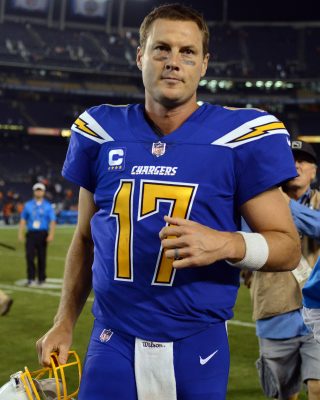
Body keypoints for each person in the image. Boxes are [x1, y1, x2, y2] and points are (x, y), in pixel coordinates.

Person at [36, 4, 301, 399]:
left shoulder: (239, 137)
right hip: (113, 339)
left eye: (187, 52)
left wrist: (227, 243)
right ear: (140, 56)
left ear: (204, 64)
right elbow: (86, 239)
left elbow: (288, 247)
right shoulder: (99, 130)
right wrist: (64, 321)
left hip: (197, 342)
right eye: (161, 49)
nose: (173, 62)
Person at [243, 140, 320, 400]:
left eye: (304, 160)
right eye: (292, 159)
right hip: (275, 310)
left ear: (314, 171)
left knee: (318, 387)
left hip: (317, 311)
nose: (297, 164)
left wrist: (286, 205)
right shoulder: (256, 204)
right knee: (281, 395)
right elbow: (243, 241)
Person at [18, 182, 56, 286]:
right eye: (37, 190)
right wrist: (20, 233)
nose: (38, 192)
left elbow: (52, 221)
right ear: (34, 192)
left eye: (40, 190)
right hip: (31, 234)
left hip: (43, 234)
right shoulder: (28, 205)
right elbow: (23, 220)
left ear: (43, 192)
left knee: (41, 257)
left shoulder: (48, 206)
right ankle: (31, 278)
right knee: (29, 256)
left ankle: (41, 278)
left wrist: (51, 234)